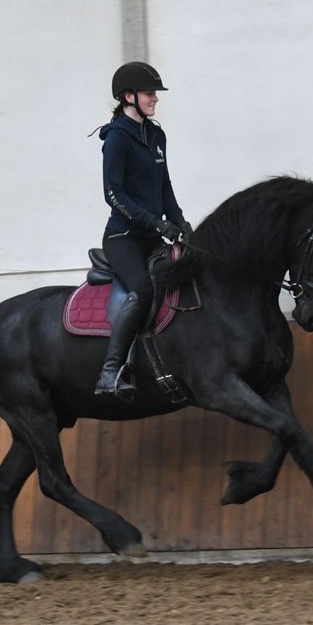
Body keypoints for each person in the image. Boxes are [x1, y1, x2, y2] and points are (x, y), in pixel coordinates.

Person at [93, 61, 193, 398]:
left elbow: (164, 186)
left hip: (153, 235)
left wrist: (178, 221)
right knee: (142, 291)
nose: (155, 99)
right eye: (150, 93)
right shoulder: (117, 140)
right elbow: (112, 194)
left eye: (154, 94)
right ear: (128, 96)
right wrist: (155, 222)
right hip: (124, 236)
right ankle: (110, 373)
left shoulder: (156, 135)